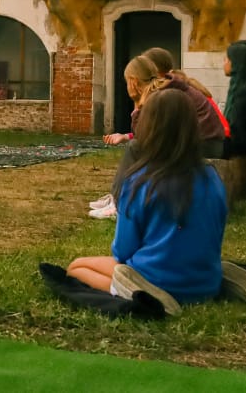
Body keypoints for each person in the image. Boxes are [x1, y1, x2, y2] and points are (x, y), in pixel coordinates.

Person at [66, 88, 228, 316]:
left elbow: (122, 251)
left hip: (155, 279)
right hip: (206, 283)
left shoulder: (139, 182)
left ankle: (149, 296)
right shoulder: (212, 177)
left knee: (76, 267)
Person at [140, 47, 228, 157]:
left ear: (153, 70)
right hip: (211, 143)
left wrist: (137, 103)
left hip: (203, 146)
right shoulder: (176, 84)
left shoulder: (169, 90)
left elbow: (154, 130)